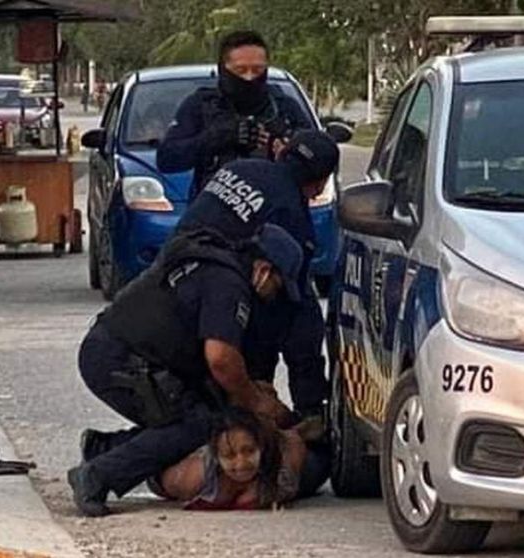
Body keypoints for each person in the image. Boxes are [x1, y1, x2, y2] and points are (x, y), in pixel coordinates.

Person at [68, 224, 304, 517]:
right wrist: (254, 399)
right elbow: (220, 359)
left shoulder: (217, 265)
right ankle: (98, 475)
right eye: (278, 286)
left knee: (203, 415)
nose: (273, 296)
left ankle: (106, 448)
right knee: (198, 424)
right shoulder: (228, 285)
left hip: (123, 351)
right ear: (264, 272)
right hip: (119, 359)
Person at [173, 130, 340, 424]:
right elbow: (291, 308)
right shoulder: (291, 215)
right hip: (220, 308)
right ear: (319, 183)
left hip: (168, 285)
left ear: (282, 152)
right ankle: (307, 419)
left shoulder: (238, 168)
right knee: (298, 310)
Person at [156, 31, 314, 200]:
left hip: (276, 210)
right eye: (240, 70)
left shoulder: (284, 107)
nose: (249, 77)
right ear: (223, 69)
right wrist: (219, 137)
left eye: (257, 70)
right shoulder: (201, 105)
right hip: (213, 212)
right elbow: (167, 159)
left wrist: (289, 146)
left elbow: (318, 156)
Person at [155, 404, 327, 510]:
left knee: (322, 458)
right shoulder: (192, 478)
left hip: (292, 468)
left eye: (249, 451)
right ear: (216, 455)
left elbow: (294, 442)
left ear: (260, 446)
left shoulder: (281, 464)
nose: (241, 464)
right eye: (229, 455)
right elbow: (157, 478)